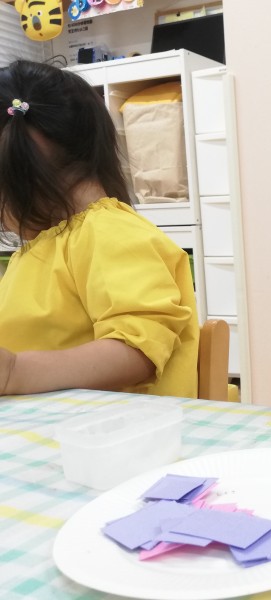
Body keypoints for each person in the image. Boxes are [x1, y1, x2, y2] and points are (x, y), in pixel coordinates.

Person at [0, 60, 199, 398]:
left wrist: (17, 372)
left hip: (118, 428)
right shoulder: (41, 248)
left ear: (21, 180)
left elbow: (139, 349)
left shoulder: (110, 233)